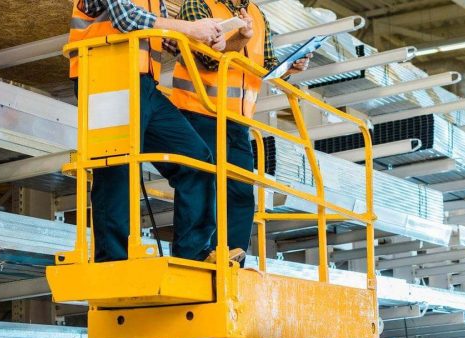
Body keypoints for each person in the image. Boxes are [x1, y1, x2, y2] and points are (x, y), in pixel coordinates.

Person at [69, 0, 244, 263]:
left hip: (144, 85)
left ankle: (193, 252)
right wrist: (190, 27)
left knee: (197, 160)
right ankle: (115, 260)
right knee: (117, 168)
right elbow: (125, 18)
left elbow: (165, 39)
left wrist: (209, 37)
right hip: (105, 78)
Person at [172, 0, 311, 265]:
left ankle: (233, 260)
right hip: (200, 111)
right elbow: (206, 59)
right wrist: (239, 37)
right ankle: (200, 257)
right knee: (204, 184)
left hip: (237, 119)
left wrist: (289, 68)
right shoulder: (198, 5)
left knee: (240, 192)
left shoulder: (258, 15)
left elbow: (265, 65)